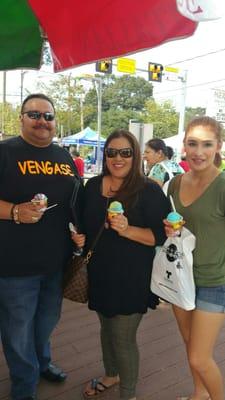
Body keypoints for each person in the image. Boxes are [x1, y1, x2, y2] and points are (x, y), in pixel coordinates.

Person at [72, 129, 170, 400]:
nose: (118, 158)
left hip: (132, 278)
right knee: (106, 329)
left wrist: (126, 230)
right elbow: (83, 223)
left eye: (125, 152)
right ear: (105, 155)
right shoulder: (92, 187)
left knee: (122, 338)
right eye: (111, 152)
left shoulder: (148, 190)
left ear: (135, 155)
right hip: (99, 275)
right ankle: (111, 374)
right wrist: (78, 236)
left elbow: (158, 236)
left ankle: (128, 394)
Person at [0, 93, 82, 400]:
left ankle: (41, 363)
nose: (42, 122)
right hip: (14, 265)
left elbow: (75, 202)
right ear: (21, 118)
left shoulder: (63, 157)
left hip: (55, 262)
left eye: (48, 116)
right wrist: (14, 211)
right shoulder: (5, 152)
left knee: (46, 322)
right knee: (18, 330)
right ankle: (23, 383)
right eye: (34, 115)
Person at [165, 116, 225, 400]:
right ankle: (199, 394)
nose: (199, 151)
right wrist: (172, 228)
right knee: (190, 346)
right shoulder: (175, 183)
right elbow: (179, 226)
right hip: (181, 276)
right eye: (193, 144)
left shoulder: (223, 185)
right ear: (184, 146)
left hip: (215, 281)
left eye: (206, 144)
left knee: (200, 357)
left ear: (218, 147)